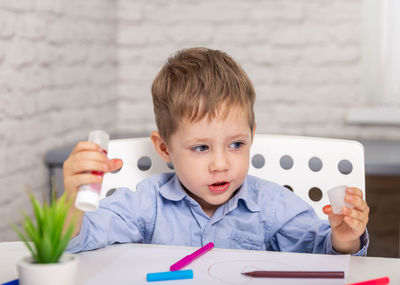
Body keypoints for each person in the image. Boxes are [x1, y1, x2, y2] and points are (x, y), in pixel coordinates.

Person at [64, 47, 369, 255]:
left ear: (252, 135)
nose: (221, 164)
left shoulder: (272, 205)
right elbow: (77, 241)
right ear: (164, 148)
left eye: (236, 144)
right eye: (200, 148)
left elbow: (321, 251)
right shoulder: (148, 203)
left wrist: (344, 239)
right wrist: (72, 199)